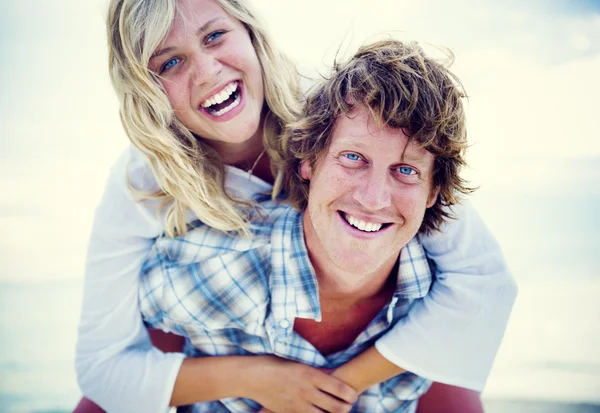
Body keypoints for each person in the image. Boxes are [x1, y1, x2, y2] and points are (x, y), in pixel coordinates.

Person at [75, 0, 517, 411]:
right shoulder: (144, 181)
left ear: (252, 34)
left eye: (215, 37)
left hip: (377, 341)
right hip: (228, 335)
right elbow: (103, 367)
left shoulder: (348, 112)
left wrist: (342, 385)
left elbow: (481, 281)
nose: (208, 72)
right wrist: (259, 379)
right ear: (144, 86)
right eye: (170, 61)